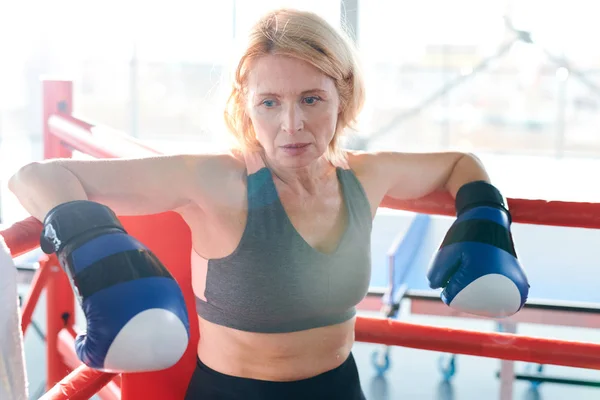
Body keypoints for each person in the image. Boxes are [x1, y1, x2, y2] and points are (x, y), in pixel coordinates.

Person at [8, 8, 529, 400]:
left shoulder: (366, 176)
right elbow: (38, 176)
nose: (292, 126)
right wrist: (90, 243)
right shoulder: (216, 180)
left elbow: (461, 162)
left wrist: (484, 216)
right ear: (246, 106)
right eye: (270, 103)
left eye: (311, 99)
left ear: (342, 97)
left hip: (340, 389)